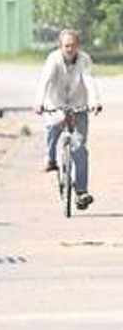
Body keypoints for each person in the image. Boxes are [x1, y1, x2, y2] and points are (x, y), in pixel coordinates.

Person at [34, 28, 102, 209]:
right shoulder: (53, 59)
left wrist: (95, 102)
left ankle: (81, 192)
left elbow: (89, 81)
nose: (69, 49)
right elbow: (44, 81)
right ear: (60, 46)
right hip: (55, 103)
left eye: (72, 45)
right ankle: (50, 159)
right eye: (66, 46)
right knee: (53, 126)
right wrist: (38, 102)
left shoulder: (84, 60)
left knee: (79, 147)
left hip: (79, 105)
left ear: (77, 46)